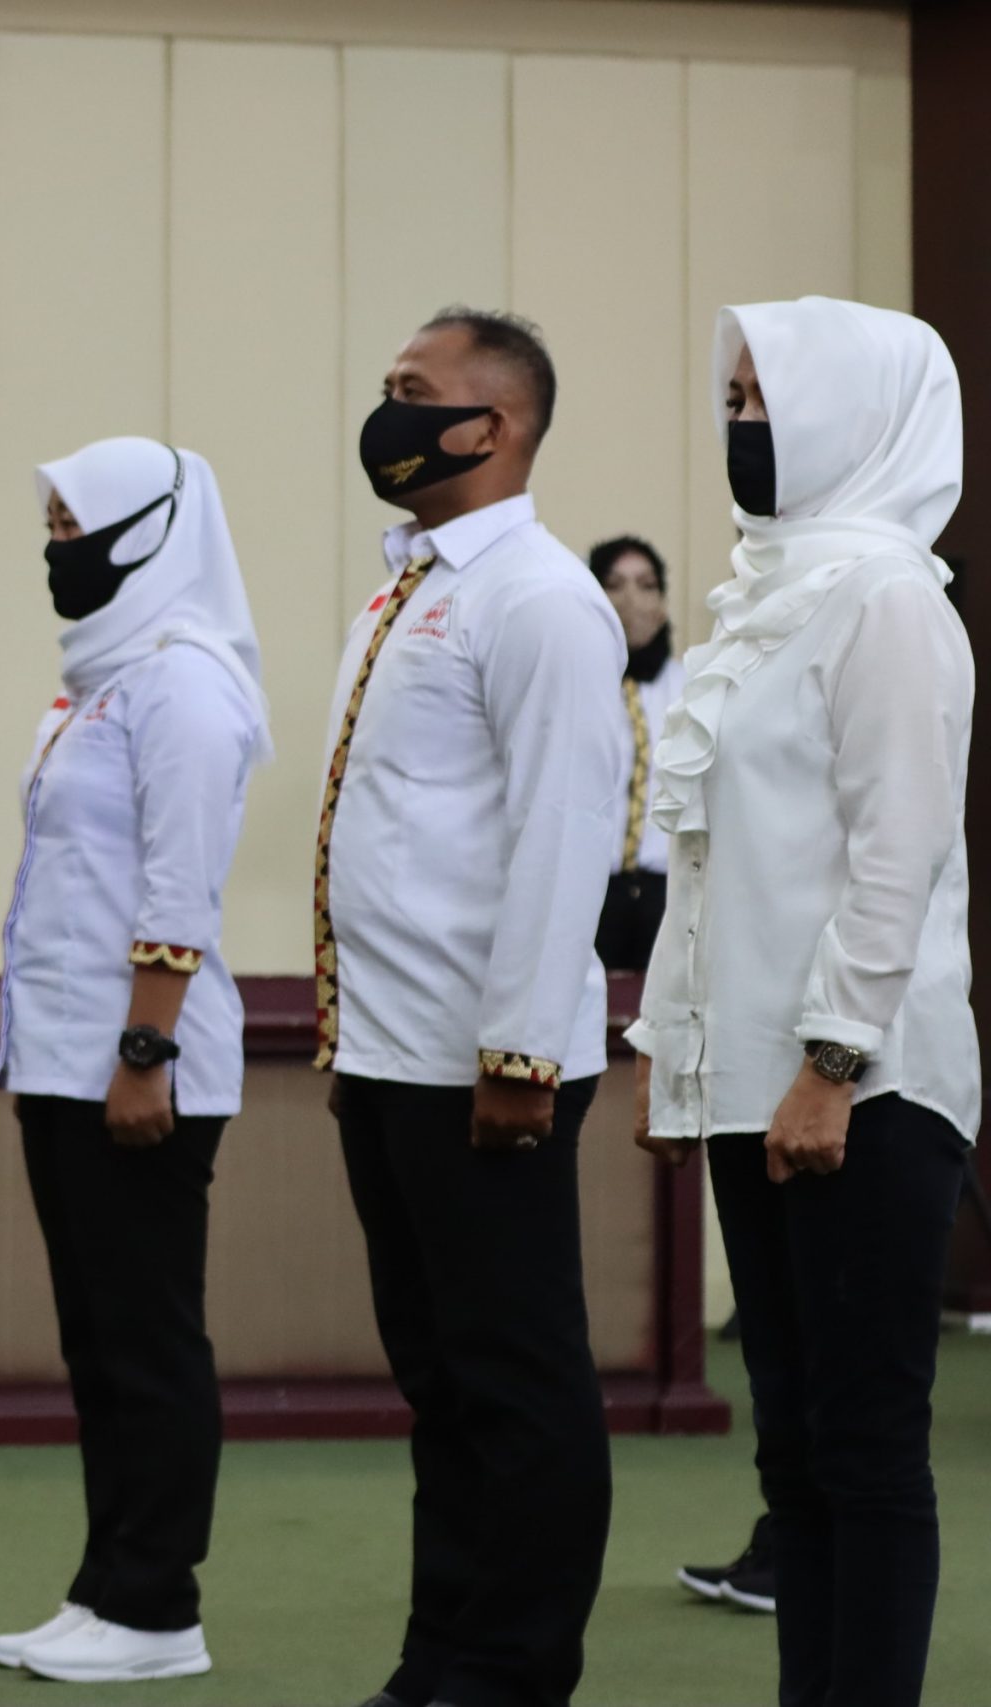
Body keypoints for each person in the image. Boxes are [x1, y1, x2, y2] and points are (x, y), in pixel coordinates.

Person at [628, 297, 975, 1707]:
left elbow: (899, 851)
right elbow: (706, 861)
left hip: (861, 1090)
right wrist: (676, 1059)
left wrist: (830, 1062)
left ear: (854, 414)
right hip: (755, 1085)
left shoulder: (887, 600)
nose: (743, 428)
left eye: (768, 402)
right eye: (733, 402)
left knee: (868, 1450)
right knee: (795, 1458)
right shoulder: (762, 603)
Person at [319, 308, 622, 1707]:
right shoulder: (407, 588)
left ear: (489, 425)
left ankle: (513, 1671)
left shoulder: (539, 597)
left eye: (411, 390)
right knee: (440, 1382)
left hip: (485, 1063)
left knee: (515, 1382)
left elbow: (564, 832)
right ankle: (439, 1654)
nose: (386, 413)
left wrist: (520, 1054)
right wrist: (356, 1042)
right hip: (392, 1052)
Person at [0, 436, 270, 1686]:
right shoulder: (98, 683)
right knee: (96, 1339)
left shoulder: (185, 686)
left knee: (147, 1339)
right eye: (51, 527)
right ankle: (105, 1584)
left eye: (75, 525)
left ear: (149, 531)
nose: (59, 548)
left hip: (137, 1065)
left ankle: (159, 1606)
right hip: (61, 1060)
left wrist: (144, 1051)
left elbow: (178, 886)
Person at [589, 534, 687, 971]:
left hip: (668, 891)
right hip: (593, 887)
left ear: (663, 603)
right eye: (614, 584)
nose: (631, 600)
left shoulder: (692, 688)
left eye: (646, 585)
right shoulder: (579, 686)